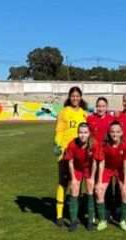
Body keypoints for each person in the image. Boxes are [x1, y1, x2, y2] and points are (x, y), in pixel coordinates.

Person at [53, 87, 88, 228]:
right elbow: (59, 132)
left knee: (77, 184)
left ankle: (75, 213)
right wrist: (57, 146)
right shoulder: (64, 112)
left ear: (80, 97)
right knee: (63, 183)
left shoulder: (84, 114)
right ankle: (59, 215)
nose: (75, 98)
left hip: (80, 154)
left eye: (77, 96)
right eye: (73, 96)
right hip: (65, 153)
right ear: (69, 97)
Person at [64, 122, 102, 232]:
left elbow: (95, 162)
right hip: (76, 168)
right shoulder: (72, 144)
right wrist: (74, 179)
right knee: (74, 191)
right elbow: (70, 162)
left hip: (89, 168)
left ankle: (90, 221)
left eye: (85, 132)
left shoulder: (94, 143)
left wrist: (92, 178)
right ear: (77, 133)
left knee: (90, 190)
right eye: (80, 132)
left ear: (89, 133)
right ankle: (73, 221)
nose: (83, 135)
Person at [95, 121, 126, 231]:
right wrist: (99, 181)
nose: (114, 134)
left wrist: (125, 182)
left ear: (121, 132)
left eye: (117, 132)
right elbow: (101, 163)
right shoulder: (103, 144)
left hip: (120, 170)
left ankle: (123, 220)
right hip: (107, 169)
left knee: (125, 192)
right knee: (99, 191)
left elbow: (125, 164)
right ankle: (102, 221)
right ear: (109, 132)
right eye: (112, 132)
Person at [87, 97, 116, 220]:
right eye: (99, 106)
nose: (101, 108)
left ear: (107, 107)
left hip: (107, 156)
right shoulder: (90, 119)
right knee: (93, 183)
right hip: (93, 156)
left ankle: (108, 210)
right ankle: (93, 211)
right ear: (96, 106)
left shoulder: (112, 119)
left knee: (107, 184)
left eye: (103, 106)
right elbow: (87, 136)